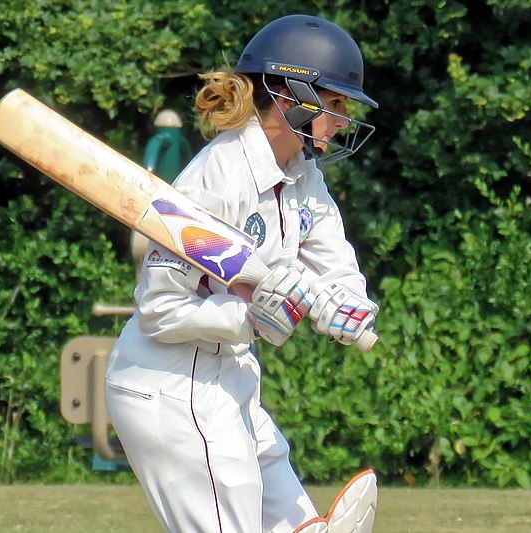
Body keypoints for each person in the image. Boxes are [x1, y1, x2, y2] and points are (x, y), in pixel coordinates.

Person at [105, 14, 380, 533]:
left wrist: (345, 305)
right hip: (171, 384)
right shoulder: (216, 177)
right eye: (336, 103)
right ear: (290, 93)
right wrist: (246, 314)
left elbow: (334, 262)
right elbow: (159, 311)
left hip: (232, 379)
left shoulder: (303, 175)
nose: (343, 119)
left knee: (302, 525)